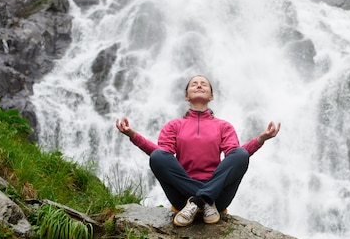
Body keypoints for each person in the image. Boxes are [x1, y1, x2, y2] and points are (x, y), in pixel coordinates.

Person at [115, 75, 281, 227]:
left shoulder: (223, 126)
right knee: (158, 156)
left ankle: (200, 199)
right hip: (182, 197)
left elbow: (235, 157)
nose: (199, 85)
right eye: (194, 84)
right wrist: (133, 135)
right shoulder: (174, 125)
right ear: (187, 96)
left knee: (241, 154)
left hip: (219, 197)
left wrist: (260, 140)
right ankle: (203, 200)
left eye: (204, 84)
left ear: (211, 96)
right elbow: (162, 156)